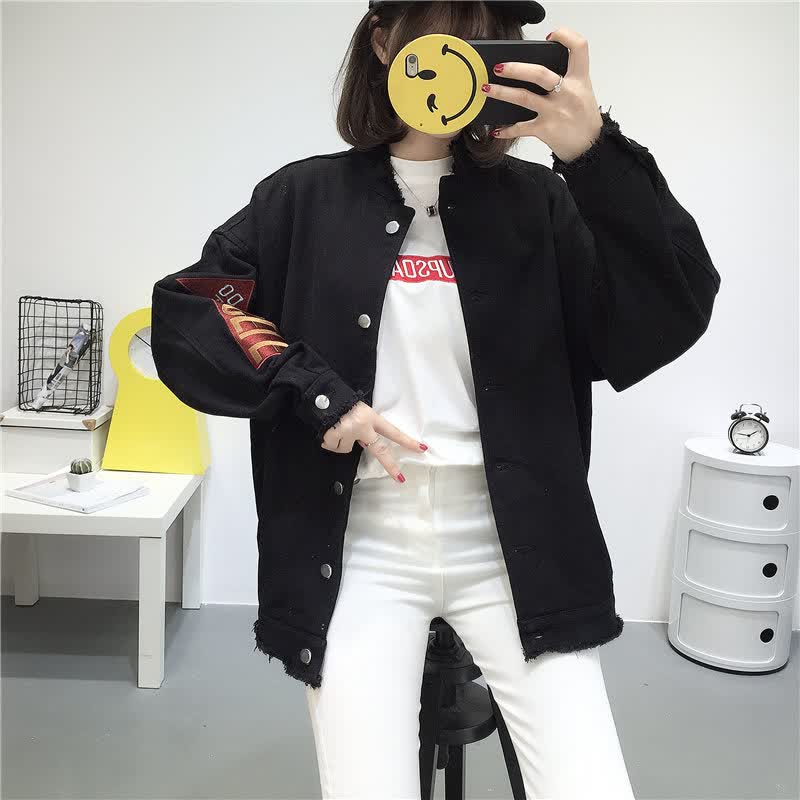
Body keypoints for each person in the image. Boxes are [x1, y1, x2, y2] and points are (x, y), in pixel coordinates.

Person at [150, 2, 720, 798]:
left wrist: (594, 154)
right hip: (360, 545)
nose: (455, 52)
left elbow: (669, 306)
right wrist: (316, 394)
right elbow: (196, 308)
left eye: (480, 33)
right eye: (437, 27)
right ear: (384, 41)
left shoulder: (541, 202)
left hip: (514, 545)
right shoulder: (303, 199)